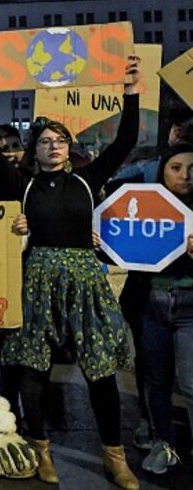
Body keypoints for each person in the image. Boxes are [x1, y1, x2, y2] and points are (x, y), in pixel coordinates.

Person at [0, 56, 142, 489]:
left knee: (101, 370)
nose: (54, 146)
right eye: (46, 141)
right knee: (34, 370)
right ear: (34, 150)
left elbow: (125, 141)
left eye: (61, 140)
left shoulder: (88, 179)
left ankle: (115, 456)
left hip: (86, 283)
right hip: (37, 281)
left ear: (69, 147)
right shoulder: (24, 185)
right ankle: (41, 448)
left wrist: (130, 92)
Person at [121, 144, 193, 474]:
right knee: (157, 381)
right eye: (176, 167)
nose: (185, 175)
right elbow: (123, 248)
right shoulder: (150, 206)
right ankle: (165, 444)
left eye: (192, 168)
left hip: (190, 308)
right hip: (152, 305)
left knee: (191, 384)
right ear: (162, 171)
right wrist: (102, 242)